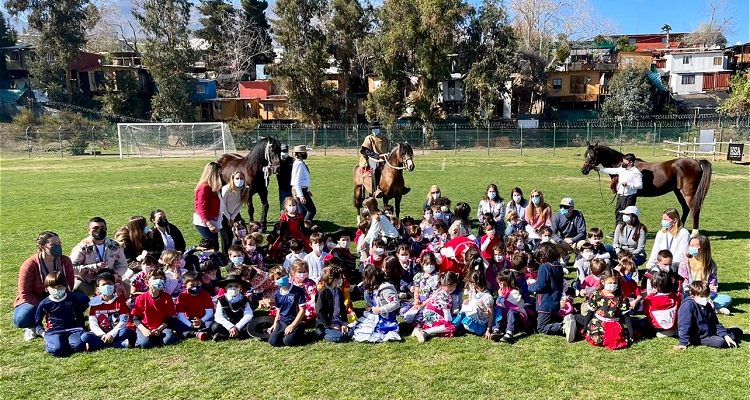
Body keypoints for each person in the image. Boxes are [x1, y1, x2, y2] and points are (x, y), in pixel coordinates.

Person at [15, 231, 81, 339]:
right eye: (53, 245)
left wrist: (60, 301)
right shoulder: (30, 265)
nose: (58, 247)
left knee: (82, 300)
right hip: (35, 300)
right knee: (22, 318)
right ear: (42, 247)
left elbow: (69, 286)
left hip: (59, 296)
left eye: (59, 243)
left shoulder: (65, 261)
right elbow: (25, 294)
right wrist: (45, 305)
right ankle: (33, 326)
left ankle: (68, 321)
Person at [575, 269, 635, 349]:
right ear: (603, 282)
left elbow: (626, 317)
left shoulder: (621, 298)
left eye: (615, 283)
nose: (612, 285)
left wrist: (631, 334)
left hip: (614, 325)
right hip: (598, 323)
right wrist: (585, 328)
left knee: (616, 341)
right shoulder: (596, 295)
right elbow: (590, 313)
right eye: (610, 283)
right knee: (597, 338)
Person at [131, 269, 190, 349]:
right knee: (145, 344)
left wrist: (159, 329)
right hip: (145, 327)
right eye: (155, 279)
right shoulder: (140, 299)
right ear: (147, 283)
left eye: (161, 279)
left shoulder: (167, 297)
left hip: (162, 327)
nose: (159, 280)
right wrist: (144, 330)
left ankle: (168, 336)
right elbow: (136, 318)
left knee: (169, 340)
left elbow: (169, 318)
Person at [70, 217, 128, 296]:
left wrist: (115, 275)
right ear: (89, 230)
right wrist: (95, 267)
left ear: (106, 229)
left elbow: (123, 265)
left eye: (102, 228)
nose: (99, 230)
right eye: (95, 228)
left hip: (108, 280)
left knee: (127, 289)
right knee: (77, 293)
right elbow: (71, 268)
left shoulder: (114, 245)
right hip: (88, 280)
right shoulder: (81, 247)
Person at [34, 271, 88, 356]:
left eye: (59, 286)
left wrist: (81, 326)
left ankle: (67, 341)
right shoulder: (44, 304)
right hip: (54, 330)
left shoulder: (72, 298)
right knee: (57, 350)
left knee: (79, 346)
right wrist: (43, 333)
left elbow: (80, 313)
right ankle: (56, 342)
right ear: (46, 288)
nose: (56, 289)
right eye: (52, 287)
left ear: (65, 286)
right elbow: (37, 322)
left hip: (73, 329)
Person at [676, 280, 741, 350]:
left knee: (738, 331)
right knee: (720, 342)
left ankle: (727, 333)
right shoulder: (687, 306)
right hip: (699, 336)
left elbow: (716, 323)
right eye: (701, 296)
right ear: (692, 296)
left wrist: (725, 335)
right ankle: (729, 333)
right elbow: (684, 326)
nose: (704, 298)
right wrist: (683, 343)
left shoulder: (707, 305)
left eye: (706, 296)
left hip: (710, 330)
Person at [677, 235, 732, 315]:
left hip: (705, 295)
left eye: (693, 246)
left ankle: (700, 308)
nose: (690, 247)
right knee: (683, 298)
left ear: (702, 248)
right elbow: (682, 284)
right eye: (690, 245)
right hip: (689, 294)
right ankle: (709, 308)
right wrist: (694, 295)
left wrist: (707, 297)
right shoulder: (685, 263)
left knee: (726, 299)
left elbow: (713, 286)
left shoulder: (711, 265)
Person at [81, 271, 134, 350]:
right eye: (104, 285)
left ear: (114, 286)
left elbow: (123, 321)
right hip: (101, 333)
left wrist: (111, 334)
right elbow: (93, 323)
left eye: (109, 284)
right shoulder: (95, 303)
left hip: (116, 332)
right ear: (98, 288)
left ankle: (99, 345)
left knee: (126, 331)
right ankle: (117, 344)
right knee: (85, 337)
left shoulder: (120, 301)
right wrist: (102, 335)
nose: (107, 286)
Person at [594, 153, 643, 236]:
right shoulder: (622, 169)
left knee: (627, 215)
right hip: (620, 195)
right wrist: (600, 169)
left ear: (630, 162)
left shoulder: (636, 173)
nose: (623, 163)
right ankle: (617, 231)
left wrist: (628, 185)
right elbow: (613, 170)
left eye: (625, 162)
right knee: (618, 213)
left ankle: (626, 232)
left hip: (629, 196)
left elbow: (640, 185)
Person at [352, 264, 402, 343]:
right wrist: (368, 307)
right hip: (374, 315)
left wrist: (380, 309)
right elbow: (372, 302)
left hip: (386, 318)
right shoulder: (371, 288)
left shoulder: (386, 288)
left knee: (377, 332)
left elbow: (395, 303)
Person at [527, 243, 568, 337]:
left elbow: (540, 286)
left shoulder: (544, 267)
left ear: (543, 257)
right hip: (555, 302)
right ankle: (564, 322)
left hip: (545, 303)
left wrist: (528, 287)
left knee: (541, 327)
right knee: (550, 320)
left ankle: (563, 326)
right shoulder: (559, 267)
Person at [411, 271, 459, 343]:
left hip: (427, 313)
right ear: (454, 285)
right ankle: (425, 332)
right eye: (450, 289)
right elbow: (447, 317)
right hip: (433, 315)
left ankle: (419, 329)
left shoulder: (439, 290)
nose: (450, 291)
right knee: (450, 326)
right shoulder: (445, 296)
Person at [268, 267, 308, 347]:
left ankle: (300, 331)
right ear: (274, 281)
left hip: (296, 321)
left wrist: (292, 325)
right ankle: (285, 332)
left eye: (283, 276)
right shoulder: (277, 294)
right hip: (283, 321)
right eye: (278, 278)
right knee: (273, 341)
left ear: (287, 275)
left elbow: (302, 310)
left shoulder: (298, 291)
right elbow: (279, 310)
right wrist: (275, 324)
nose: (282, 279)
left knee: (288, 342)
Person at [315, 266, 354, 343]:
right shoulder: (322, 292)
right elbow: (319, 311)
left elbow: (342, 308)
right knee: (340, 337)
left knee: (350, 333)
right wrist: (330, 325)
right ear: (335, 280)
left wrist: (344, 323)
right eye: (340, 278)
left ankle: (338, 330)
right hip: (325, 323)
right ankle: (320, 332)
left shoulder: (338, 291)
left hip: (337, 320)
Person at [490, 270, 530, 343]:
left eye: (501, 281)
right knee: (498, 309)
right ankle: (496, 329)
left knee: (512, 312)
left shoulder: (515, 292)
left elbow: (508, 306)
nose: (499, 283)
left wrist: (501, 296)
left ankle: (509, 333)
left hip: (517, 319)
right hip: (505, 319)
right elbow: (498, 304)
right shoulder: (502, 290)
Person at [452, 269, 494, 340]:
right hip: (474, 316)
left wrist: (488, 330)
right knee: (463, 311)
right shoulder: (475, 292)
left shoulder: (487, 297)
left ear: (473, 283)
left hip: (480, 323)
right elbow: (472, 300)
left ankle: (453, 327)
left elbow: (491, 314)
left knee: (462, 313)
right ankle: (454, 327)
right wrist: (467, 301)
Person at [646, 208, 690, 272]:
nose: (663, 221)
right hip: (661, 265)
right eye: (663, 219)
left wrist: (669, 264)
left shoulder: (684, 233)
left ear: (674, 220)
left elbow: (682, 254)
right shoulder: (661, 233)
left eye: (665, 219)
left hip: (675, 265)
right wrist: (649, 266)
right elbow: (655, 251)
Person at [212, 274, 254, 341]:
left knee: (251, 325)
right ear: (226, 287)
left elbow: (249, 314)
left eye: (236, 286)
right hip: (227, 322)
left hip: (240, 322)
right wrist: (230, 327)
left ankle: (226, 335)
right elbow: (218, 316)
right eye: (230, 286)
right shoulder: (221, 299)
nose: (233, 288)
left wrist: (237, 327)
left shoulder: (244, 299)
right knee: (215, 327)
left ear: (240, 287)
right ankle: (236, 334)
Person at [175, 271, 214, 341]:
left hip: (203, 319)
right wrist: (190, 324)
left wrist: (201, 321)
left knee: (211, 324)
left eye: (197, 284)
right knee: (178, 324)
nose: (195, 287)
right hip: (188, 320)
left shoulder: (205, 294)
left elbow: (210, 312)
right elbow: (180, 315)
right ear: (185, 286)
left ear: (201, 283)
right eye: (192, 285)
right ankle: (196, 333)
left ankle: (188, 332)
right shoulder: (182, 297)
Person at [642, 271, 682, 338]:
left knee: (638, 323)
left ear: (655, 286)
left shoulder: (652, 300)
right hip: (673, 326)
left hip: (658, 327)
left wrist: (651, 294)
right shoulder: (676, 297)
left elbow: (646, 311)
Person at [193, 161, 223, 244]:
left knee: (214, 246)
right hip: (204, 223)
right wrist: (209, 224)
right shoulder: (204, 188)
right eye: (219, 173)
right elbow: (201, 208)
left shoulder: (214, 188)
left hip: (212, 222)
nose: (220, 176)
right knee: (211, 247)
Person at [220, 170, 249, 254]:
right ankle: (226, 254)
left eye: (241, 178)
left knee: (243, 232)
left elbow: (241, 204)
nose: (239, 180)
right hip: (223, 214)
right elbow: (222, 205)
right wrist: (228, 217)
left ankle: (243, 251)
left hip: (234, 214)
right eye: (237, 178)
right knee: (226, 235)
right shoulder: (226, 189)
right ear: (232, 179)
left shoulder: (245, 189)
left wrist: (232, 217)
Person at [359, 121, 390, 198]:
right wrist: (378, 156)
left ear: (379, 128)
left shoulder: (385, 138)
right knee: (375, 169)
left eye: (376, 128)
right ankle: (377, 189)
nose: (375, 130)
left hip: (385, 159)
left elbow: (389, 149)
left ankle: (400, 187)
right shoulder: (369, 138)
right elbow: (367, 151)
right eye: (373, 129)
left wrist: (387, 155)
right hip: (373, 159)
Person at [291, 145, 315, 221]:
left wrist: (307, 190)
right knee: (311, 211)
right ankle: (306, 228)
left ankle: (300, 228)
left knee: (302, 212)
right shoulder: (299, 164)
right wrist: (301, 195)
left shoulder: (300, 163)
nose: (306, 154)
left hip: (301, 190)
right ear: (299, 154)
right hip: (300, 190)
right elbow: (297, 180)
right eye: (304, 152)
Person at [290, 259, 318, 323]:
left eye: (304, 272)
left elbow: (313, 299)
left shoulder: (310, 283)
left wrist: (304, 305)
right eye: (299, 272)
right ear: (293, 272)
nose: (302, 274)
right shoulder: (290, 282)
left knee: (313, 307)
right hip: (291, 303)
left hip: (306, 304)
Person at [277, 143, 294, 212]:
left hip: (292, 188)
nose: (284, 152)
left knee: (294, 205)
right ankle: (283, 220)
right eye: (283, 151)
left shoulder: (292, 161)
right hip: (283, 188)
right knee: (283, 206)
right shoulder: (277, 162)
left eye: (286, 151)